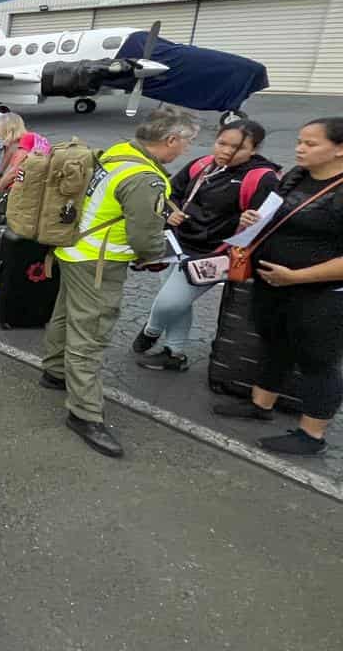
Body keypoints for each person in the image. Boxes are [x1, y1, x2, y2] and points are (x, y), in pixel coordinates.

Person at [40, 107, 199, 458]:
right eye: (187, 143)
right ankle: (84, 414)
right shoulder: (146, 178)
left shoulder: (118, 153)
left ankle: (53, 372)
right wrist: (152, 256)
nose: (185, 150)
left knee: (66, 315)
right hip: (99, 262)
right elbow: (145, 237)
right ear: (171, 139)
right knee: (91, 334)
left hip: (72, 248)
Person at [213, 118, 343, 456]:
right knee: (275, 343)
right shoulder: (296, 177)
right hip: (274, 283)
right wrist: (249, 221)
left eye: (311, 144)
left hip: (320, 292)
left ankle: (311, 435)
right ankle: (261, 403)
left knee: (319, 361)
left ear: (340, 149)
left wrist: (297, 277)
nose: (300, 148)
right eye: (300, 141)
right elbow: (274, 216)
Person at [131, 119, 279, 371]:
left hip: (216, 254)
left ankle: (151, 330)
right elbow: (169, 193)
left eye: (236, 148)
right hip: (178, 244)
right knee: (179, 301)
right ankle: (174, 353)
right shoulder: (202, 165)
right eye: (221, 143)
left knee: (170, 302)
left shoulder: (261, 178)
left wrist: (249, 220)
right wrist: (170, 212)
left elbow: (266, 222)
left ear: (253, 150)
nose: (225, 151)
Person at [0, 113, 50, 202]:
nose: (2, 139)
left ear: (8, 131)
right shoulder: (33, 137)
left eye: (1, 134)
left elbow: (14, 172)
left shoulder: (26, 140)